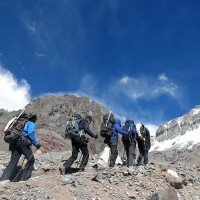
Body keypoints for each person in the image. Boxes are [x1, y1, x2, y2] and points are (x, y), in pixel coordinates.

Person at [0, 112, 41, 182]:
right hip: (23, 142)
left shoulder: (21, 124)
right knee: (31, 159)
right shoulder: (30, 123)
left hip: (15, 143)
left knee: (13, 162)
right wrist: (36, 144)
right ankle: (24, 179)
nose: (35, 121)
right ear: (33, 119)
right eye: (35, 119)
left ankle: (3, 179)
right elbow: (30, 133)